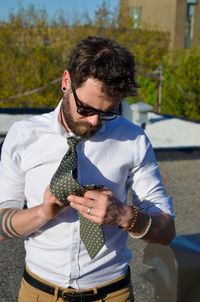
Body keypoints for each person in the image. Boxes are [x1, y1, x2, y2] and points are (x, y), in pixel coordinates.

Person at [0, 36, 175, 302]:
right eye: (85, 108)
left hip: (112, 294)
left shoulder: (134, 139)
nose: (94, 121)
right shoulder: (23, 136)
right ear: (66, 81)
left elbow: (167, 231)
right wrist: (42, 212)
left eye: (108, 112)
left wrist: (126, 216)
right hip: (38, 293)